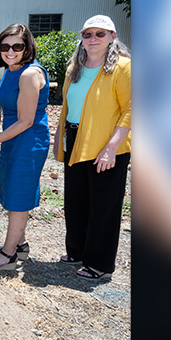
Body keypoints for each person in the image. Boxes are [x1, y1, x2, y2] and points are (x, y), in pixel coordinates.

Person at [53, 15, 131, 280]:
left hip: (107, 145)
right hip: (75, 139)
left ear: (112, 36)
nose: (93, 39)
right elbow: (67, 106)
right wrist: (59, 139)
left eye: (100, 33)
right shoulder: (75, 67)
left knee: (103, 205)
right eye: (88, 34)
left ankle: (99, 262)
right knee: (75, 200)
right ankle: (76, 251)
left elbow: (132, 109)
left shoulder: (123, 67)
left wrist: (111, 147)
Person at [0, 24, 50, 270]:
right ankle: (20, 243)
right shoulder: (12, 69)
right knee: (13, 189)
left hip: (27, 140)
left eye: (17, 46)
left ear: (27, 47)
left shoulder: (29, 74)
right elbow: (8, 97)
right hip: (13, 136)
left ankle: (8, 256)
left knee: (18, 196)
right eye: (5, 46)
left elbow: (26, 120)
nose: (10, 51)